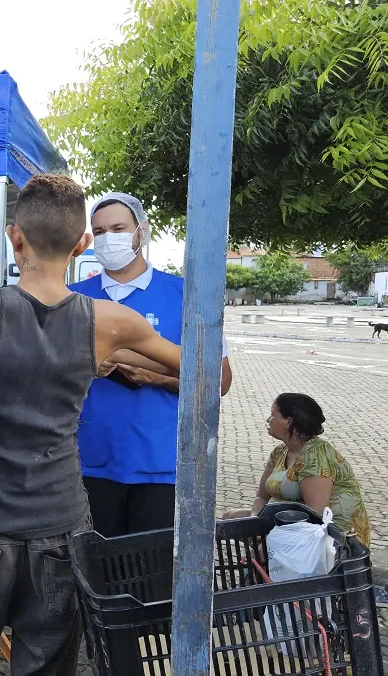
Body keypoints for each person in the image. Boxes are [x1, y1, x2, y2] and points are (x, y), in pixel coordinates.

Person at [0, 174, 182, 675]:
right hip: (61, 527)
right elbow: (202, 369)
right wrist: (133, 370)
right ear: (83, 244)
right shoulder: (109, 320)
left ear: (15, 236)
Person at [70, 192, 233, 537]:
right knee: (92, 574)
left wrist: (153, 377)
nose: (108, 238)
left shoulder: (187, 296)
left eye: (118, 228)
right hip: (88, 463)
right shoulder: (72, 298)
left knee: (151, 576)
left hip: (162, 466)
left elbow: (218, 382)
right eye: (99, 232)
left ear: (141, 231)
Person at [222, 393, 370, 547]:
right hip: (286, 521)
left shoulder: (316, 455)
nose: (268, 420)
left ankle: (268, 563)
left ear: (288, 422)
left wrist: (270, 536)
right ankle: (265, 561)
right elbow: (262, 496)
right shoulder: (279, 452)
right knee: (229, 519)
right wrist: (254, 522)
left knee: (266, 546)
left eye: (272, 415)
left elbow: (316, 513)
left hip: (331, 536)